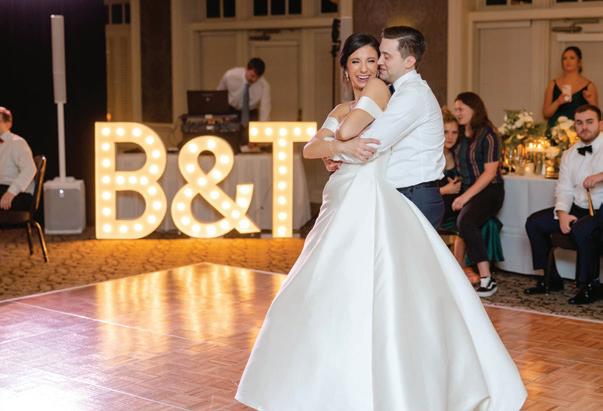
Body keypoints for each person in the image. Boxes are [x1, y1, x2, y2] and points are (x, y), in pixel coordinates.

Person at [235, 31, 526, 411]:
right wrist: (335, 146)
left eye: (375, 59)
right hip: (358, 197)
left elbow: (359, 141)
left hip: (382, 197)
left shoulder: (388, 95)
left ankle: (413, 380)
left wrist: (336, 144)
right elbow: (313, 147)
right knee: (347, 288)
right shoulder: (365, 101)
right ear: (344, 68)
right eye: (357, 61)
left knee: (400, 295)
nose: (369, 67)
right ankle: (341, 377)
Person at [525, 104, 603, 305]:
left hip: (600, 209)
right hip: (578, 206)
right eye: (579, 122)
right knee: (534, 222)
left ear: (600, 124)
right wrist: (562, 214)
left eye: (589, 122)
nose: (584, 127)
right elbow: (564, 188)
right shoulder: (569, 154)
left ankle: (589, 285)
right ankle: (550, 278)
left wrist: (600, 176)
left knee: (583, 229)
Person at [451, 92, 505, 297]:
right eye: (455, 109)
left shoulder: (488, 134)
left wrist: (464, 198)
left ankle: (487, 280)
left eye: (461, 109)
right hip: (466, 189)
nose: (457, 113)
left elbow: (490, 173)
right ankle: (454, 274)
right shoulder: (460, 133)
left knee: (466, 221)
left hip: (490, 191)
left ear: (474, 109)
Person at [543, 46, 599, 130]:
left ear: (579, 62)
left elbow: (597, 116)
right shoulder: (552, 84)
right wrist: (558, 102)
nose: (568, 61)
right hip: (555, 131)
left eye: (572, 58)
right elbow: (545, 114)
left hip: (579, 131)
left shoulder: (589, 85)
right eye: (564, 58)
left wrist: (591, 101)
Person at [0, 107, 36, 211]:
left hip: (17, 194)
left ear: (8, 124)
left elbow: (30, 169)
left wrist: (11, 193)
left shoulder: (17, 142)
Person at [217, 58, 271, 127]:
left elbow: (265, 108)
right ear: (246, 69)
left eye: (257, 78)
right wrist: (220, 115)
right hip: (231, 110)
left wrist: (263, 126)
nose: (254, 79)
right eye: (252, 76)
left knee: (250, 133)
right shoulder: (230, 76)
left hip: (251, 112)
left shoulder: (264, 86)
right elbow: (219, 95)